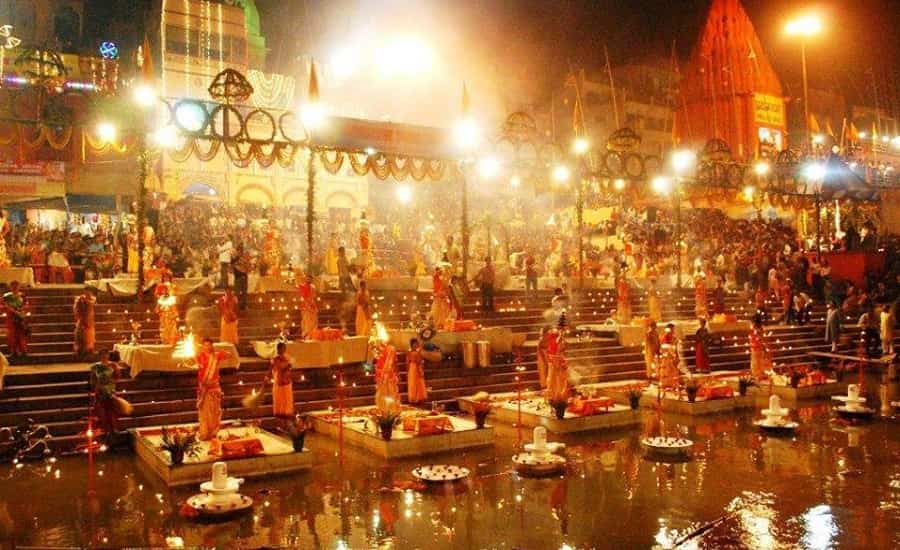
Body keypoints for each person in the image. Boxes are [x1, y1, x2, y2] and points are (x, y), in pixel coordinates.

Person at [196, 338, 229, 440]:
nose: (207, 347)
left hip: (214, 388)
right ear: (202, 346)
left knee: (215, 411)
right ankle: (205, 433)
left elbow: (228, 354)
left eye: (209, 345)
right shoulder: (199, 356)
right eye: (205, 345)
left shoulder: (216, 355)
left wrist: (217, 353)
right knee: (205, 412)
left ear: (211, 345)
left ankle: (214, 432)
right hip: (204, 388)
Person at [90, 350, 120, 437]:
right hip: (100, 391)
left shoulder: (113, 365)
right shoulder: (95, 367)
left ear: (108, 356)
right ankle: (103, 429)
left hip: (110, 390)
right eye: (102, 355)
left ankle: (113, 428)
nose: (104, 356)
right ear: (100, 356)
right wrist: (96, 388)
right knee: (101, 410)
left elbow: (117, 377)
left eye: (106, 354)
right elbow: (93, 380)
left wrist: (110, 386)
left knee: (111, 410)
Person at [2, 281, 29, 358]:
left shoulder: (22, 295)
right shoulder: (7, 296)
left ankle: (23, 350)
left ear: (19, 287)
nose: (15, 288)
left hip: (21, 317)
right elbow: (4, 305)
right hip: (11, 317)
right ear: (10, 287)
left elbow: (26, 304)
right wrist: (14, 311)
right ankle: (14, 351)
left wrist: (22, 311)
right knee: (12, 335)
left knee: (21, 334)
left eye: (16, 286)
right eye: (13, 286)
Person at [270, 342, 294, 419]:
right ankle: (279, 412)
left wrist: (289, 365)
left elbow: (290, 365)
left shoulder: (287, 357)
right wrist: (288, 364)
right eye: (282, 348)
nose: (284, 350)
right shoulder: (275, 358)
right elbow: (279, 367)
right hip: (279, 379)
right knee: (280, 397)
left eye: (284, 348)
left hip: (287, 379)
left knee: (287, 396)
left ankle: (287, 412)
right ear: (278, 349)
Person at [73, 286, 97, 357]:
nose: (88, 293)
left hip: (89, 318)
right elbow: (76, 308)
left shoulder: (92, 298)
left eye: (89, 291)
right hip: (82, 318)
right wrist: (79, 301)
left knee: (89, 334)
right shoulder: (80, 298)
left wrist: (85, 300)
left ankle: (89, 349)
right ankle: (80, 349)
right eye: (86, 291)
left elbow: (91, 303)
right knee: (80, 333)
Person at [406, 338, 427, 404]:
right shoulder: (409, 352)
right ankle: (414, 398)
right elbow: (408, 361)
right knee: (413, 383)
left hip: (417, 367)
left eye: (417, 344)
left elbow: (420, 361)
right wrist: (408, 370)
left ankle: (419, 398)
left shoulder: (418, 352)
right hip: (413, 368)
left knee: (419, 382)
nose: (416, 345)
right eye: (415, 344)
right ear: (412, 345)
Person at [298, 275, 319, 339]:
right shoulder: (303, 286)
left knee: (314, 321)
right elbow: (303, 296)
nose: (308, 280)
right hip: (305, 306)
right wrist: (307, 304)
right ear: (305, 279)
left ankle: (313, 335)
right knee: (306, 321)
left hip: (312, 305)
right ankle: (306, 335)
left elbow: (313, 296)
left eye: (310, 279)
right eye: (307, 279)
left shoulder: (313, 287)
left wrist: (312, 304)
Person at [232, 243, 251, 310]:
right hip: (238, 277)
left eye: (242, 249)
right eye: (239, 249)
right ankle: (235, 306)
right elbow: (233, 265)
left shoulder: (245, 257)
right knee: (237, 293)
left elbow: (248, 267)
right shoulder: (235, 257)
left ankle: (244, 306)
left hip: (244, 276)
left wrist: (246, 266)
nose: (241, 251)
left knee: (244, 293)